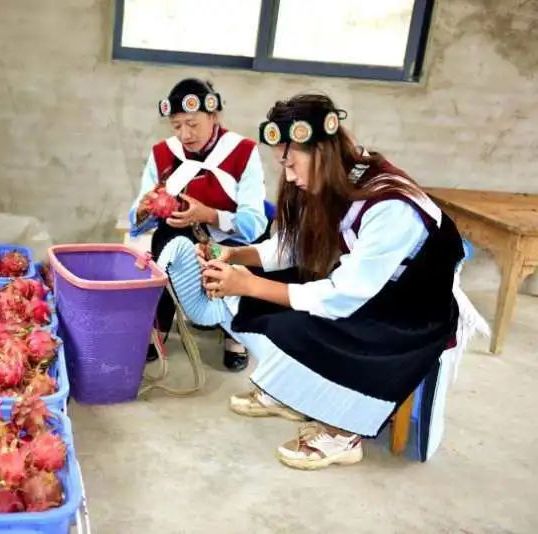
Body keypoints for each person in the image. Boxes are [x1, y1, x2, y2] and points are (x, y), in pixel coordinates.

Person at [156, 93, 481, 469]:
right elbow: (295, 246)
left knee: (297, 321)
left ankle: (343, 432)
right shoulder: (341, 177)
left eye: (292, 164)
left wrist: (247, 284)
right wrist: (234, 255)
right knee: (265, 288)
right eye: (284, 165)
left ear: (322, 153)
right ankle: (292, 390)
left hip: (412, 313)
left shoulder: (391, 206)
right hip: (370, 288)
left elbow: (343, 296)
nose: (290, 176)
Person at [129, 78, 269, 371]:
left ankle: (236, 334)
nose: (185, 134)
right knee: (164, 242)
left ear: (213, 116)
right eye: (176, 126)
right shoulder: (163, 153)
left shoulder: (243, 151)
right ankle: (156, 326)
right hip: (181, 236)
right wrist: (143, 210)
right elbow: (137, 216)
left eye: (192, 124)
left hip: (229, 237)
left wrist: (209, 215)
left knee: (249, 250)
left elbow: (255, 222)